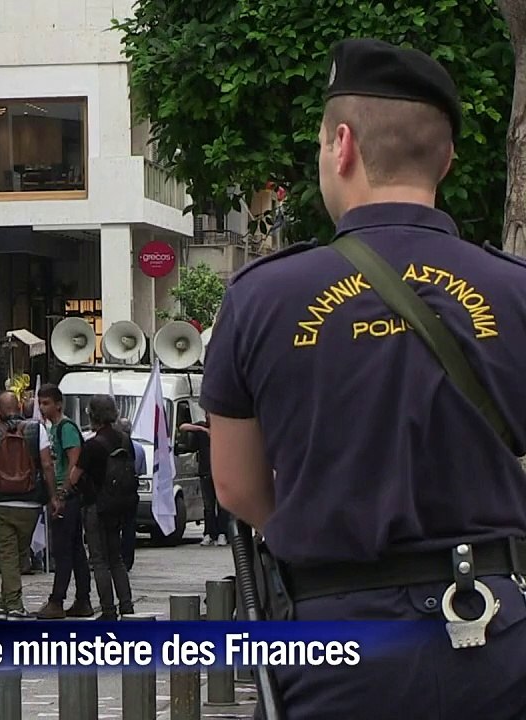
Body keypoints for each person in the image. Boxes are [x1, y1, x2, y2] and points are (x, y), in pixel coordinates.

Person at [202, 38, 526, 718]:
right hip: (497, 634)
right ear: (447, 157)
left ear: (342, 145)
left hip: (336, 639)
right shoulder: (514, 290)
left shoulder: (262, 296)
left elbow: (235, 485)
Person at [0, 391, 55, 619]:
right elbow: (47, 465)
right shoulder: (37, 429)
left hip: (0, 504)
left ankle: (10, 604)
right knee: (19, 555)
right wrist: (52, 495)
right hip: (29, 502)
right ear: (19, 406)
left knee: (8, 556)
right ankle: (10, 603)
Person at [76, 395, 135, 620]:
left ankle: (108, 609)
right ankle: (127, 606)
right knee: (116, 558)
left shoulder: (92, 445)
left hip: (96, 506)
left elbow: (75, 476)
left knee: (99, 560)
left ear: (92, 415)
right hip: (120, 505)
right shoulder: (124, 439)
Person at [35, 383, 90, 619]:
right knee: (76, 550)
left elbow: (74, 463)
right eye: (40, 402)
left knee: (63, 550)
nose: (41, 407)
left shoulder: (65, 428)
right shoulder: (52, 428)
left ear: (58, 404)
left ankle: (57, 600)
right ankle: (83, 599)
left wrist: (62, 494)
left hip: (67, 497)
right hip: (66, 495)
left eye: (46, 403)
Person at [178, 414, 226, 546]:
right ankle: (209, 533)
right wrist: (202, 430)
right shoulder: (201, 427)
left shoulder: (223, 428)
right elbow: (183, 427)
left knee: (222, 505)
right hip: (205, 472)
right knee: (208, 506)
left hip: (221, 472)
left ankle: (222, 533)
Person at [115, 418, 143, 572]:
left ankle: (117, 558)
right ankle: (128, 560)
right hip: (132, 490)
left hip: (116, 492)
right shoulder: (138, 448)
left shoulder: (115, 446)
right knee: (129, 527)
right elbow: (140, 471)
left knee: (114, 527)